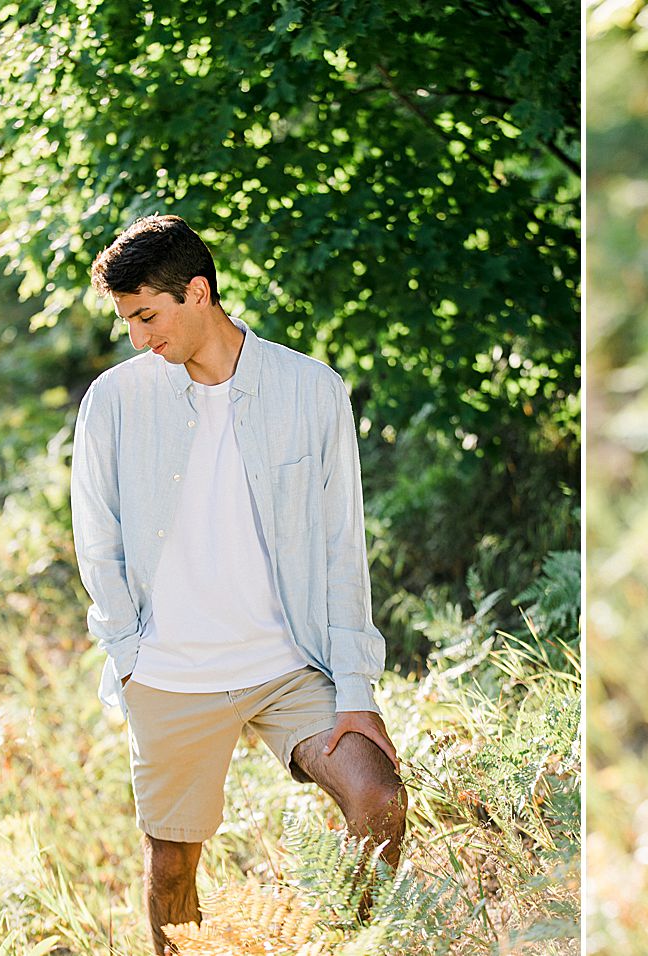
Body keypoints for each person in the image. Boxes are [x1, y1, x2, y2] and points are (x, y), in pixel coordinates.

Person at [70, 214, 405, 954]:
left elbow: (341, 549)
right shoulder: (115, 401)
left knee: (378, 798)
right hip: (170, 675)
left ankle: (361, 945)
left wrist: (355, 687)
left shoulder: (310, 390)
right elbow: (98, 542)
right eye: (128, 322)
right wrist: (129, 657)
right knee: (171, 872)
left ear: (198, 292)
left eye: (147, 317)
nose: (138, 339)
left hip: (291, 666)